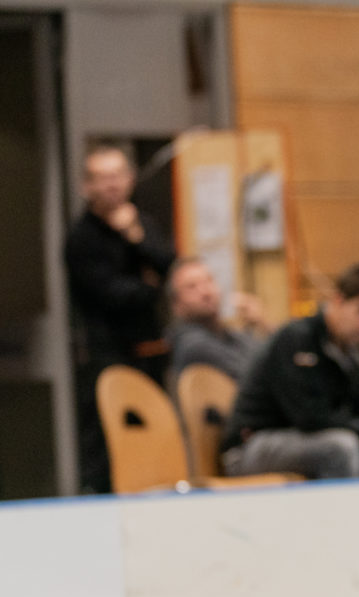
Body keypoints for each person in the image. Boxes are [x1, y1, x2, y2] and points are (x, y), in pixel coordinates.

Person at [220, 263, 359, 480]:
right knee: (341, 448)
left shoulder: (354, 352)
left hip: (307, 441)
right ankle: (341, 513)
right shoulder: (297, 339)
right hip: (252, 446)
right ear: (338, 301)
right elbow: (310, 418)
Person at [64, 141, 176, 493]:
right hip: (107, 352)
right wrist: (152, 285)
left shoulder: (141, 223)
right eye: (103, 177)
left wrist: (136, 237)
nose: (112, 185)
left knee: (157, 433)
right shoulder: (81, 238)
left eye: (118, 175)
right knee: (105, 440)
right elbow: (114, 295)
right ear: (87, 187)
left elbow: (171, 267)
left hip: (151, 347)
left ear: (129, 179)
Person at [167, 256, 272, 381]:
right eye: (191, 287)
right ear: (177, 305)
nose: (205, 292)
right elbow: (258, 377)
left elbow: (271, 357)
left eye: (209, 281)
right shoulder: (193, 345)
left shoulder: (225, 333)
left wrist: (262, 323)